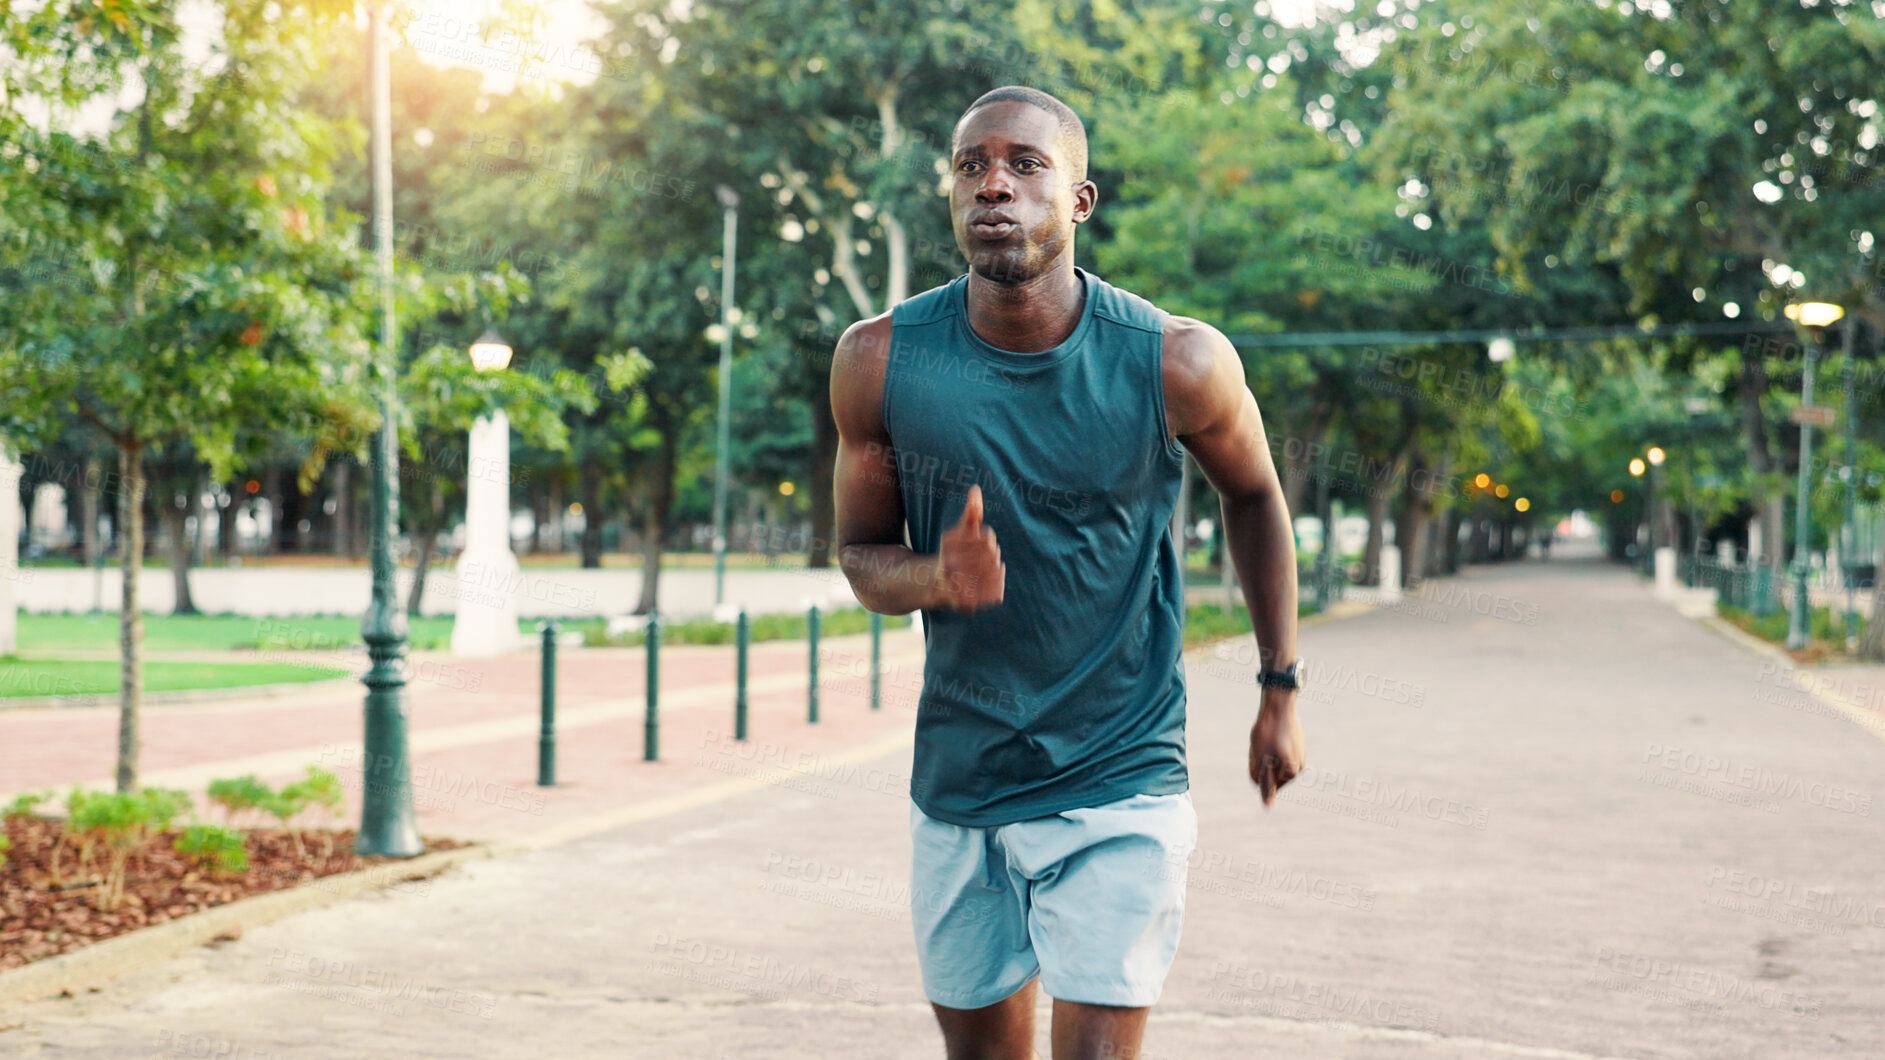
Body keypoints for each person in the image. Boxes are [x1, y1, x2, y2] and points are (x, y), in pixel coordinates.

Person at [830, 85, 1306, 1060]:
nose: (993, 184)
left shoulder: (1178, 362)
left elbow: (1254, 495)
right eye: (971, 166)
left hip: (1120, 770)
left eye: (1025, 164)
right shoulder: (877, 360)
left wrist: (1278, 686)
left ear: (1078, 201)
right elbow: (859, 556)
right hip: (959, 775)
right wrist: (936, 579)